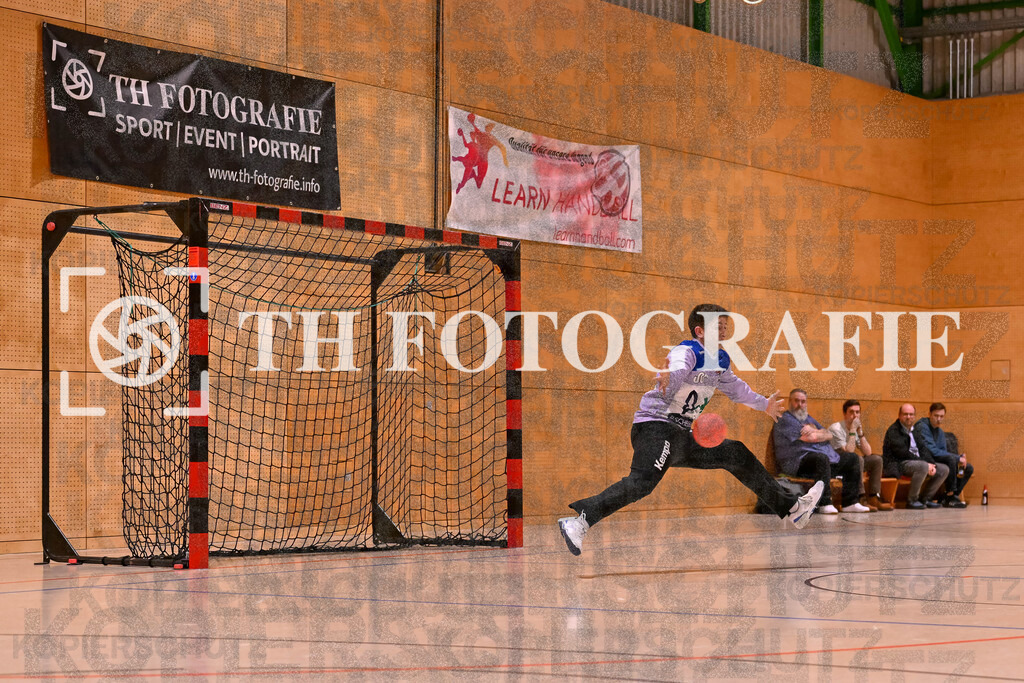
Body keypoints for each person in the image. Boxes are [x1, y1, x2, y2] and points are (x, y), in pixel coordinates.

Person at [557, 304, 824, 556]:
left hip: (681, 435)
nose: (724, 331)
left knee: (736, 453)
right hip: (656, 427)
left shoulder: (720, 359)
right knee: (642, 483)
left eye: (725, 326)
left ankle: (793, 508)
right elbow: (677, 368)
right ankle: (580, 521)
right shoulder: (686, 352)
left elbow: (736, 388)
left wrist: (763, 404)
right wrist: (669, 378)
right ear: (699, 331)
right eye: (718, 326)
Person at [774, 390, 872, 514]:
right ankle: (824, 503)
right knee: (821, 458)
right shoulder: (785, 419)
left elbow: (829, 434)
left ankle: (850, 502)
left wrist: (813, 430)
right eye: (796, 401)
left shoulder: (808, 418)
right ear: (790, 402)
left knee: (852, 458)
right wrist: (817, 432)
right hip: (797, 463)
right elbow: (810, 438)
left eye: (803, 401)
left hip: (820, 462)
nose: (800, 404)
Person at [828, 400, 892, 511]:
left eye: (857, 412)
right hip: (836, 466)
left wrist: (860, 433)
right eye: (851, 412)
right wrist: (853, 430)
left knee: (876, 459)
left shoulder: (856, 429)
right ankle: (860, 497)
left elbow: (868, 452)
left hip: (852, 465)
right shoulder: (836, 429)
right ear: (845, 414)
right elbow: (849, 452)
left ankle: (874, 497)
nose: (855, 415)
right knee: (857, 459)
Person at [882, 404, 950, 509]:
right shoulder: (894, 431)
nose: (908, 417)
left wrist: (932, 464)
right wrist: (926, 464)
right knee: (922, 466)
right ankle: (912, 500)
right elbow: (902, 453)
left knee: (943, 469)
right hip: (898, 463)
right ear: (899, 415)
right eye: (905, 414)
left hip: (916, 462)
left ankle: (926, 498)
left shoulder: (915, 430)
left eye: (911, 414)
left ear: (914, 416)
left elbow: (923, 449)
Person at [914, 402, 972, 508]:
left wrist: (960, 458)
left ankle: (951, 496)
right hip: (925, 458)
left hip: (936, 458)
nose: (939, 419)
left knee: (966, 468)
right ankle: (950, 495)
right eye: (936, 416)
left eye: (941, 416)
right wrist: (957, 458)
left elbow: (943, 451)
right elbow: (932, 451)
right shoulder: (922, 426)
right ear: (929, 414)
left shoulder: (939, 431)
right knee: (952, 459)